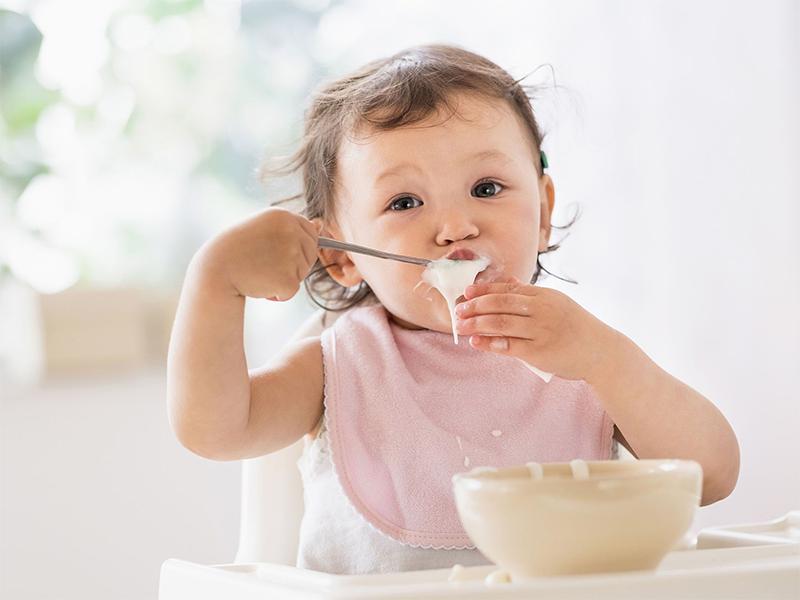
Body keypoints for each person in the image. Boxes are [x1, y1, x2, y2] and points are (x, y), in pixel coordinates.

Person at [167, 44, 739, 575]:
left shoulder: (581, 356)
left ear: (543, 213)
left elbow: (710, 476)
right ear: (341, 257)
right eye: (405, 202)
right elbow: (216, 430)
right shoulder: (340, 365)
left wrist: (605, 359)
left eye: (486, 188)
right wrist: (216, 283)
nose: (455, 227)